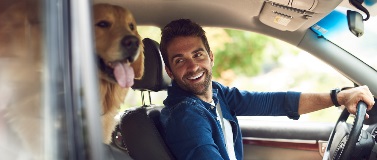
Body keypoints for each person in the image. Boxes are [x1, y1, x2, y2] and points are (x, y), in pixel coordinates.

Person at [158, 19, 375, 160]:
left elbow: (275, 102)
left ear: (210, 56)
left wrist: (338, 97)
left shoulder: (216, 94)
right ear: (169, 70)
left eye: (198, 55)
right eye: (180, 60)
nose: (193, 66)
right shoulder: (186, 116)